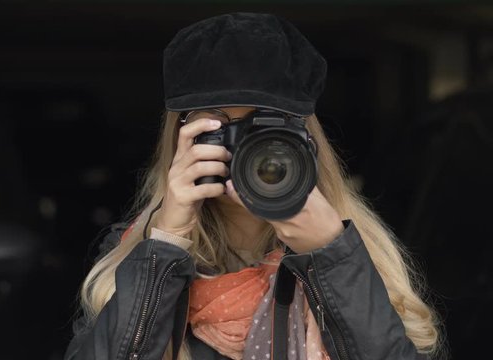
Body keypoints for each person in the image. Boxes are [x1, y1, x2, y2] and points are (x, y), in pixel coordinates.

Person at [63, 12, 444, 360]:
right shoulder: (135, 252)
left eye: (263, 127)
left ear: (306, 141)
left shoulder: (360, 251)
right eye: (222, 127)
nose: (247, 149)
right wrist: (166, 240)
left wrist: (330, 253)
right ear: (181, 139)